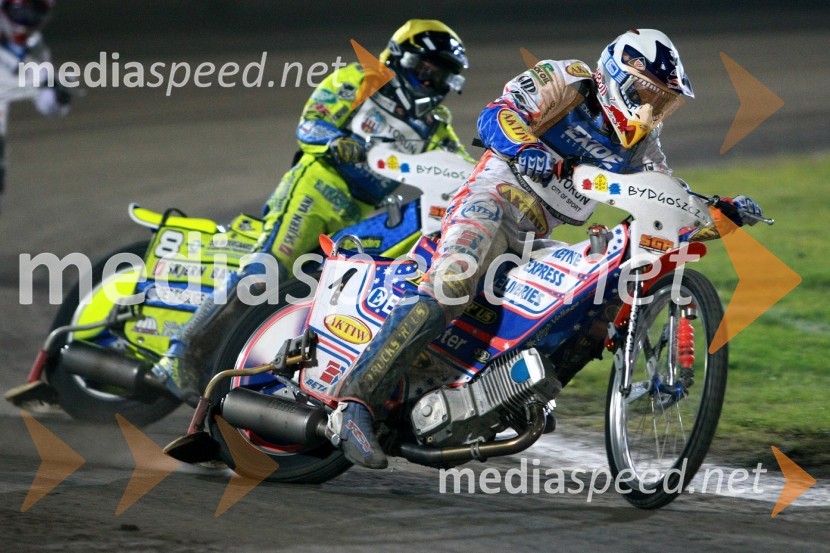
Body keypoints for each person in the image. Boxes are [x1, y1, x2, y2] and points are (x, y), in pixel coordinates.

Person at [324, 28, 764, 469]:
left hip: (536, 236)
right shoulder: (568, 79)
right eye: (647, 93)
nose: (652, 109)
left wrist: (719, 214)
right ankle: (353, 402)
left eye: (663, 101)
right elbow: (496, 113)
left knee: (591, 309)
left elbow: (664, 198)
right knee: (451, 286)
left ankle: (512, 396)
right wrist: (526, 145)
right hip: (490, 200)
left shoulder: (642, 144)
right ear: (617, 76)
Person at [150, 19, 471, 405]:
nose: (432, 82)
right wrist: (337, 140)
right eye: (426, 70)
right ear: (402, 59)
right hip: (316, 188)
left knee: (322, 294)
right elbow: (312, 123)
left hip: (363, 213)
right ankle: (179, 354)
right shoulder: (359, 80)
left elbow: (460, 167)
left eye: (441, 76)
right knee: (265, 273)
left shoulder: (435, 126)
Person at [0, 0, 69, 211]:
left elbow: (49, 106)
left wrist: (58, 96)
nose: (27, 20)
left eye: (35, 14)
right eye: (21, 12)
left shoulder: (34, 48)